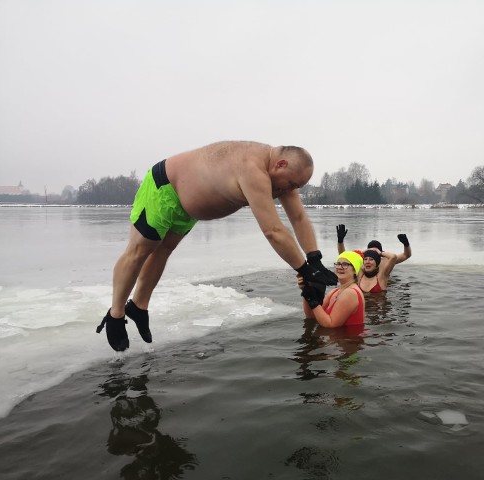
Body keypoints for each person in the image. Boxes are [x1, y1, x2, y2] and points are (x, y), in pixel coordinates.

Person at [97, 141, 337, 351]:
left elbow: (299, 218)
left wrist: (314, 258)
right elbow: (273, 231)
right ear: (281, 164)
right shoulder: (252, 168)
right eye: (292, 184)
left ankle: (139, 306)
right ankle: (116, 314)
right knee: (140, 251)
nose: (290, 191)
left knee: (163, 252)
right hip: (165, 187)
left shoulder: (281, 177)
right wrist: (305, 270)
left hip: (186, 206)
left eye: (297, 187)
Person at [336, 224, 411, 292]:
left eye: (374, 252)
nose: (368, 261)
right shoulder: (362, 265)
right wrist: (340, 241)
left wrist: (406, 244)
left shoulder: (385, 262)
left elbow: (405, 255)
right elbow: (345, 257)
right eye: (366, 258)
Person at [299, 251, 365, 328]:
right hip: (336, 339)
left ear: (355, 270)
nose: (340, 267)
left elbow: (331, 325)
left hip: (348, 340)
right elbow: (312, 316)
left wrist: (313, 300)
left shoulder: (350, 293)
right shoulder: (335, 292)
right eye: (338, 263)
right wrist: (306, 289)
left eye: (345, 264)